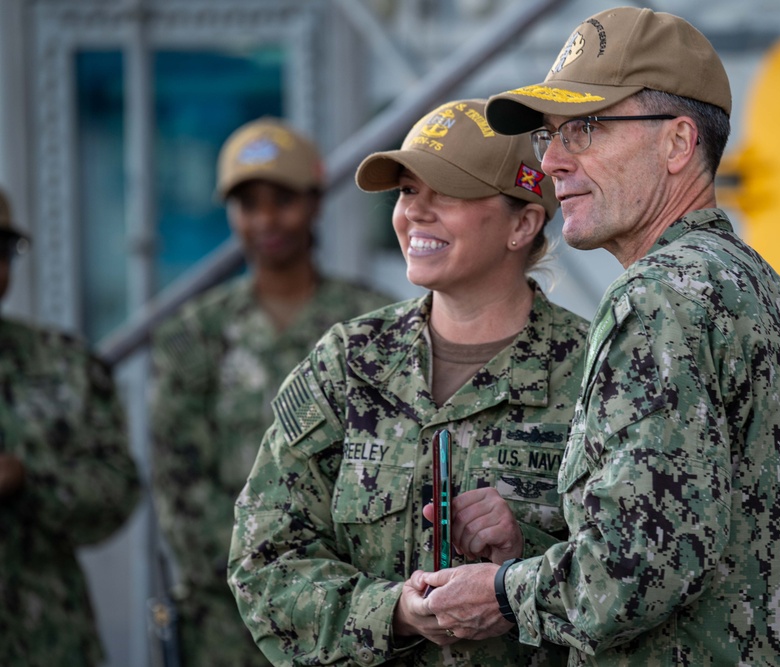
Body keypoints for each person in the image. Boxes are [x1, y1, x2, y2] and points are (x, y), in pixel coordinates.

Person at [410, 7, 780, 665]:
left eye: (583, 129)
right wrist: (532, 551)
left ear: (676, 143)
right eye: (549, 136)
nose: (551, 161)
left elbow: (632, 572)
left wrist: (500, 591)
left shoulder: (658, 299)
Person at [227, 98, 588, 666]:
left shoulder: (593, 370)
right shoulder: (350, 361)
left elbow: (638, 576)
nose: (415, 212)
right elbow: (264, 561)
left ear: (522, 223)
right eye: (407, 191)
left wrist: (519, 564)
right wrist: (392, 611)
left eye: (447, 191)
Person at [150, 118, 393, 667]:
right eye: (247, 204)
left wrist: (330, 585)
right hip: (224, 615)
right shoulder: (194, 334)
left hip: (351, 604)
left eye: (281, 200)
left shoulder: (373, 323)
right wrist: (264, 572)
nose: (265, 220)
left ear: (313, 202)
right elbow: (177, 484)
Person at [0, 185, 141, 666]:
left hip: (46, 642)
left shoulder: (61, 362)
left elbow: (118, 486)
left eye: (2, 250)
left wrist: (28, 482)